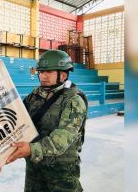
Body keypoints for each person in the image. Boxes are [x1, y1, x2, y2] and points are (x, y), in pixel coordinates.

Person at [6, 50, 88, 192]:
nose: (43, 76)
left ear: (62, 75)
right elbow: (18, 119)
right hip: (35, 167)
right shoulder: (34, 95)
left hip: (61, 172)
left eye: (48, 72)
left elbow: (62, 140)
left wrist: (30, 149)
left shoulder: (73, 100)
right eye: (41, 72)